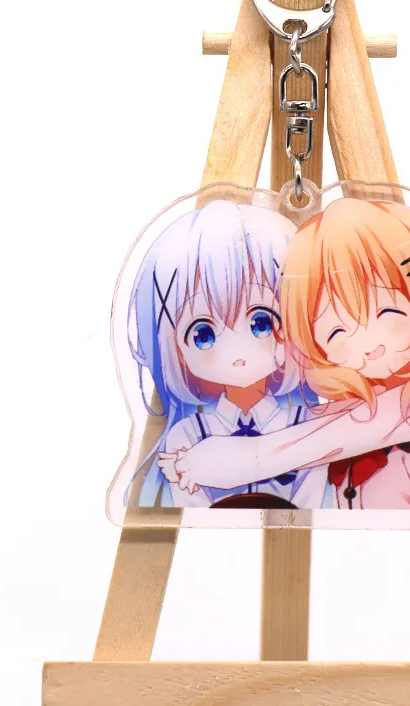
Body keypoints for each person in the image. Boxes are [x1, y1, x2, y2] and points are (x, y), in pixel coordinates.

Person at [174, 198, 410, 510]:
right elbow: (310, 429)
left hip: (398, 538)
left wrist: (234, 460)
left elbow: (316, 443)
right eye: (336, 332)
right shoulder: (351, 405)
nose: (369, 346)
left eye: (389, 312)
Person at [127, 200, 328, 510]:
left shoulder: (307, 423)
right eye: (203, 334)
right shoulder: (187, 435)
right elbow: (193, 516)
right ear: (176, 347)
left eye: (261, 323)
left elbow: (310, 507)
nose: (237, 351)